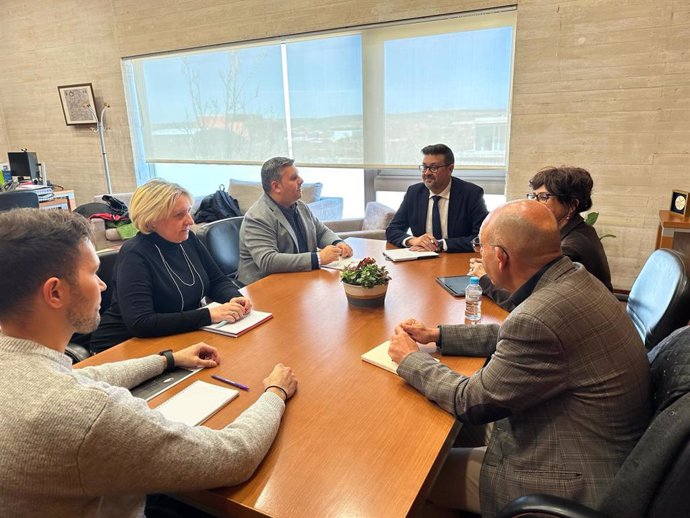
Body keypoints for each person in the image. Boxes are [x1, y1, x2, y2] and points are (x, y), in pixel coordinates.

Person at [0, 208, 298, 518]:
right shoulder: (89, 414)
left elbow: (82, 374)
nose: (103, 286)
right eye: (93, 272)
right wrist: (275, 392)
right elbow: (235, 455)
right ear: (55, 292)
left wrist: (167, 360)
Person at [388, 200, 650, 517]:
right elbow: (512, 336)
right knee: (439, 434)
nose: (477, 256)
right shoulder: (572, 277)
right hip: (594, 443)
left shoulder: (537, 318)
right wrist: (438, 334)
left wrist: (411, 360)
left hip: (568, 476)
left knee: (412, 475)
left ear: (500, 257)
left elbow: (471, 402)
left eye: (480, 248)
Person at [91, 179, 251, 352]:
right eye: (179, 215)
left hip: (175, 337)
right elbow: (141, 322)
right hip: (123, 347)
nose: (190, 221)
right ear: (152, 220)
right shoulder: (134, 255)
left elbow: (217, 280)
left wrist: (234, 297)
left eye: (188, 211)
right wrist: (208, 315)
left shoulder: (188, 239)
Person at [470, 166, 613, 311]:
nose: (535, 203)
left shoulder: (571, 247)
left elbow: (527, 303)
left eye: (544, 197)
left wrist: (485, 279)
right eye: (534, 196)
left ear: (572, 205)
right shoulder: (576, 230)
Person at [236, 157, 353, 285]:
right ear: (276, 187)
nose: (301, 180)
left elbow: (321, 232)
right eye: (293, 178)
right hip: (264, 288)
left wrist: (337, 242)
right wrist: (318, 258)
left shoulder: (300, 206)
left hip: (299, 280)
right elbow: (268, 260)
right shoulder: (257, 217)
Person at [385, 143, 489, 253]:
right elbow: (392, 230)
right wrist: (413, 240)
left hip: (456, 259)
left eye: (433, 168)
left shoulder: (471, 194)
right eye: (424, 167)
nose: (427, 173)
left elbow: (481, 238)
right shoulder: (414, 193)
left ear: (450, 169)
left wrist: (440, 244)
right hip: (420, 260)